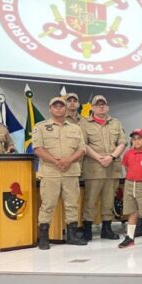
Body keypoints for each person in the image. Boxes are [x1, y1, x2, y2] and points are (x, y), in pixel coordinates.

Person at [33, 96, 87, 250]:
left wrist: (68, 160)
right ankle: (43, 237)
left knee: (72, 204)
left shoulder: (75, 128)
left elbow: (82, 148)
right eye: (55, 106)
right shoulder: (40, 127)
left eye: (61, 106)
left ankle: (72, 235)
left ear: (66, 109)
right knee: (48, 204)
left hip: (70, 171)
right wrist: (56, 161)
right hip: (50, 172)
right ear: (50, 109)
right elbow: (38, 149)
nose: (59, 108)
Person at [80, 95, 125, 241]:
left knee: (109, 200)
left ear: (107, 107)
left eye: (103, 104)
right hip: (94, 167)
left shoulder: (115, 123)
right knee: (90, 200)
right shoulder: (84, 123)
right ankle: (87, 229)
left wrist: (111, 157)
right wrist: (99, 158)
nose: (101, 107)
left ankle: (107, 228)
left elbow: (122, 143)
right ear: (92, 107)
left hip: (112, 167)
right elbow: (83, 145)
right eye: (97, 105)